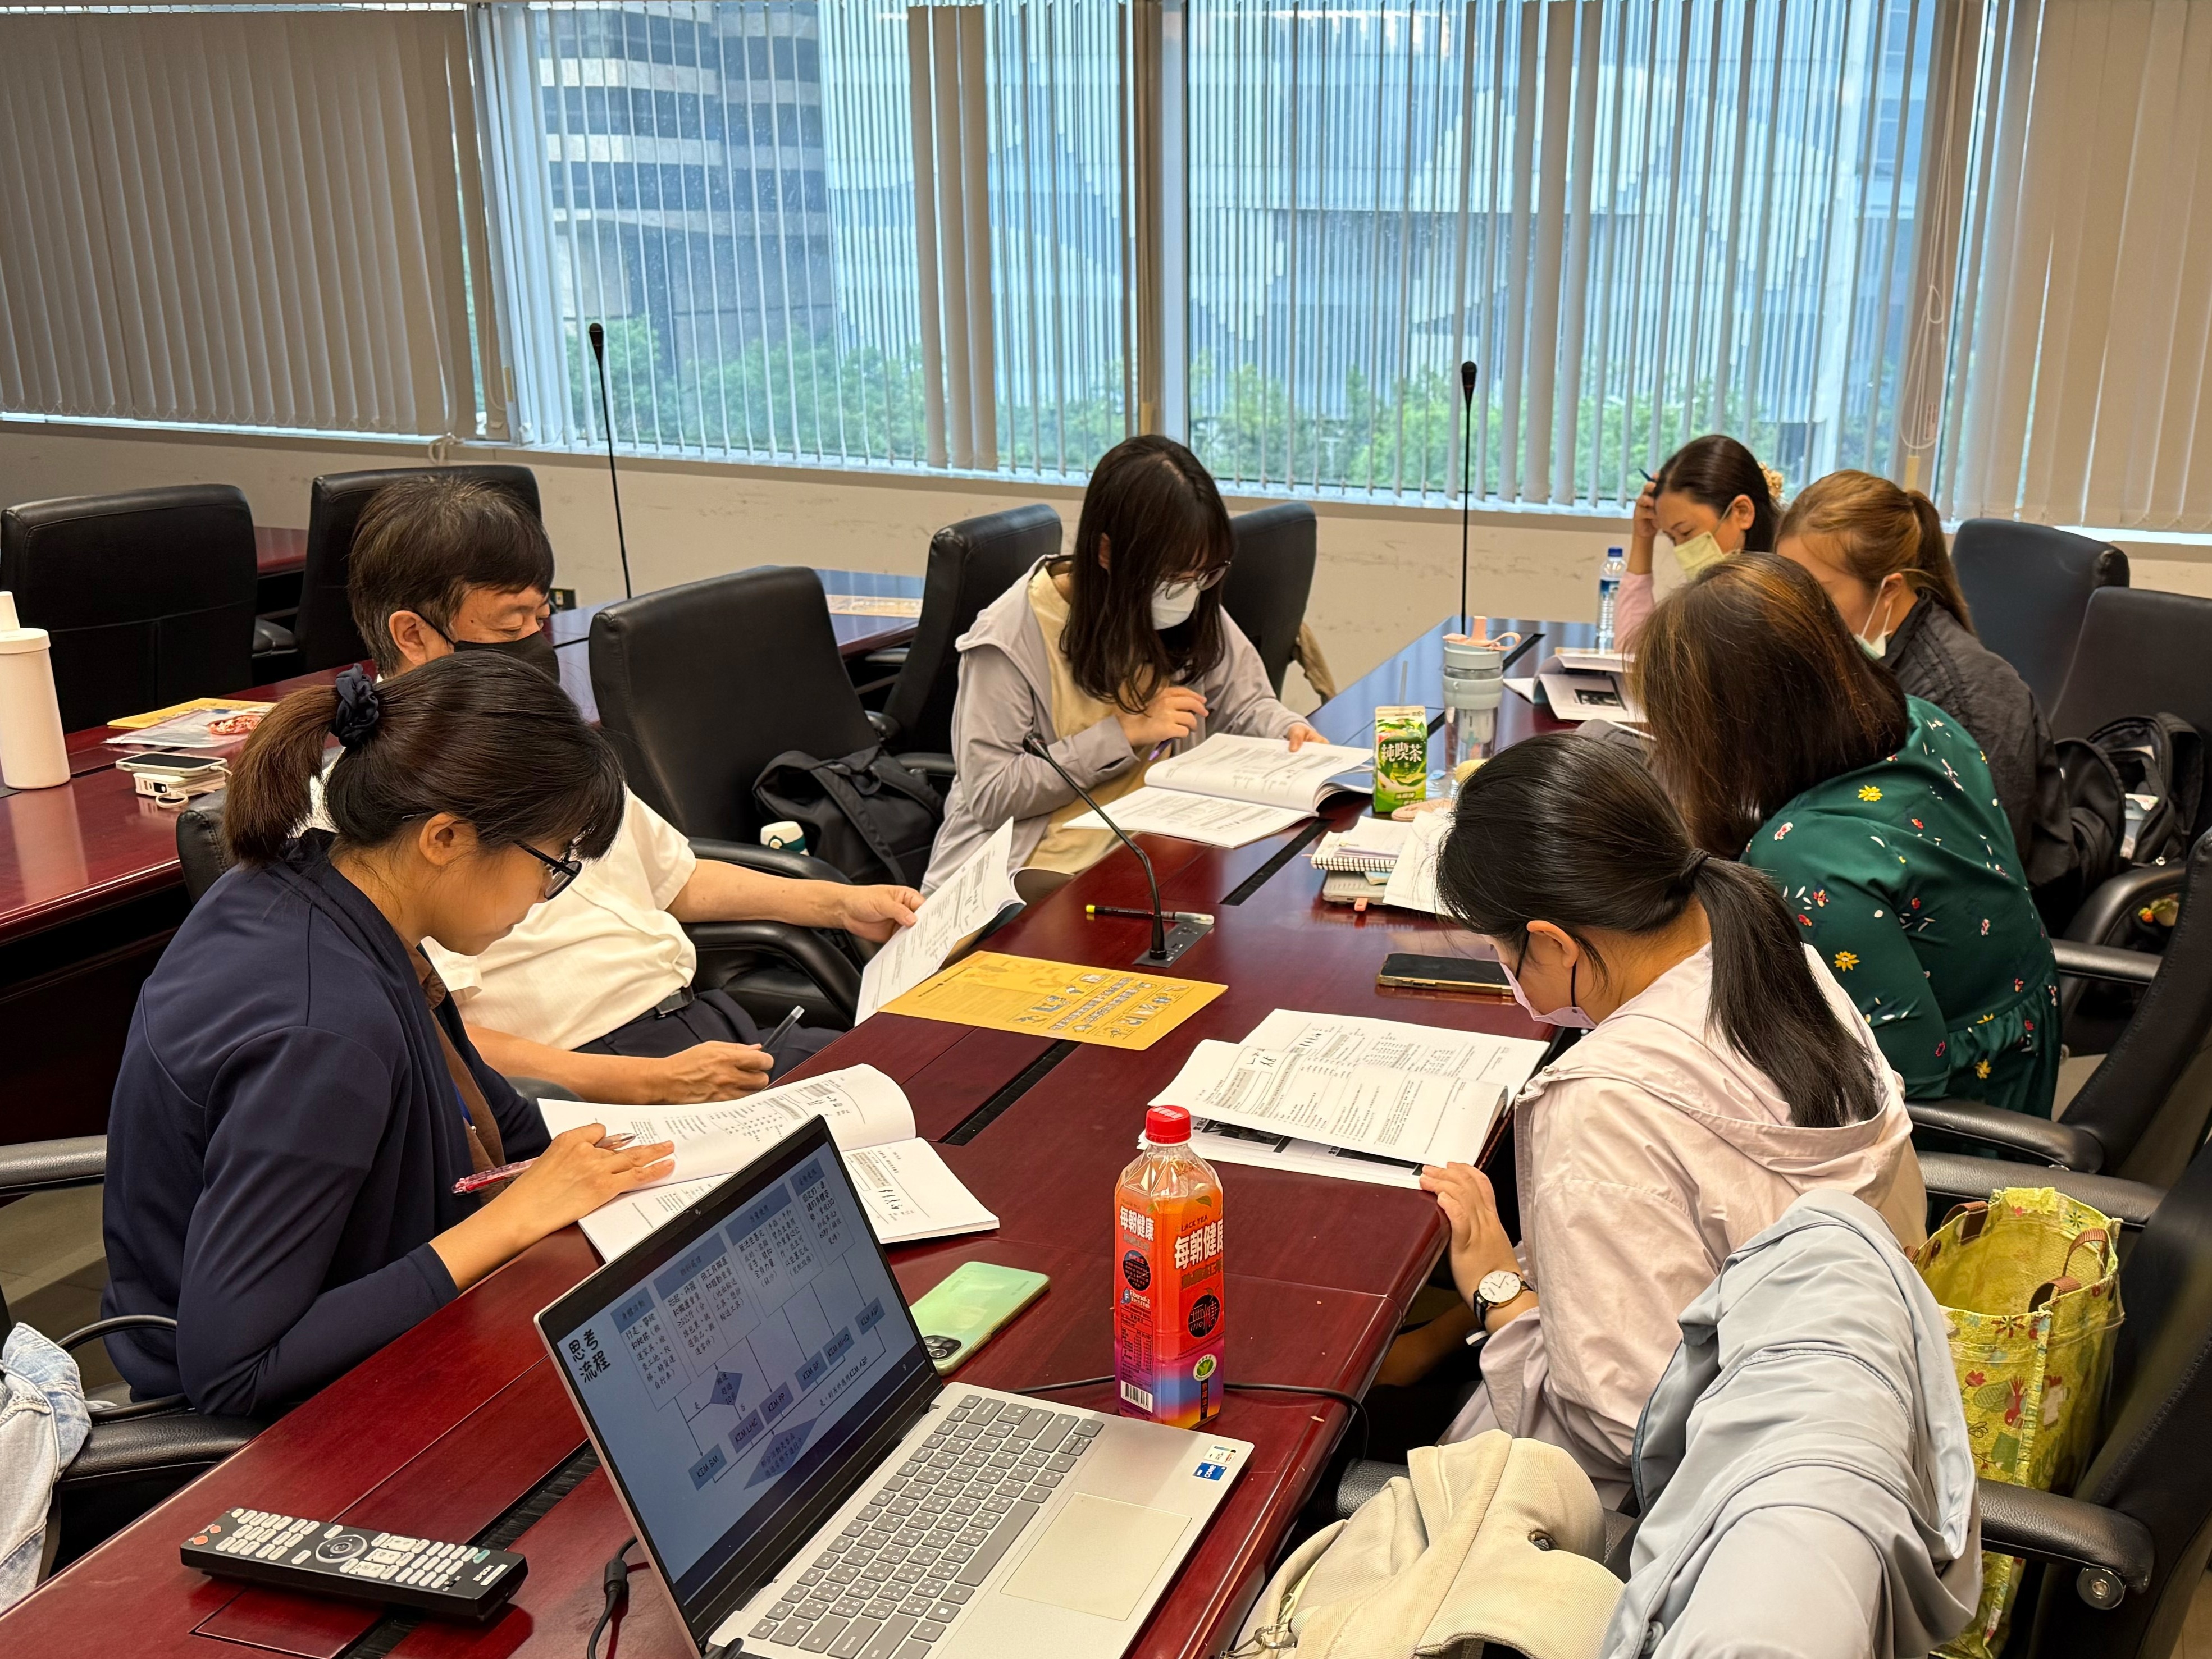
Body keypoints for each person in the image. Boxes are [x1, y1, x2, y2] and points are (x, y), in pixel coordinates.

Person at [101, 656, 680, 1415]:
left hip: (377, 1299)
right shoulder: (326, 1034)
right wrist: (511, 1219)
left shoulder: (322, 893)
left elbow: (501, 1125)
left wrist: (694, 1146)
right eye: (552, 864)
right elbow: (235, 1369)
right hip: (294, 1419)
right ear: (445, 837)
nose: (546, 893)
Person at [1413, 734, 1924, 1502]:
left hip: (1689, 1505)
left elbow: (1624, 1430)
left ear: (1551, 942)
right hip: (1854, 1408)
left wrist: (1497, 1291)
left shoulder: (1600, 1103)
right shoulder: (1777, 955)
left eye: (1500, 949)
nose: (1506, 971)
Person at [345, 475, 923, 1104]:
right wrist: (647, 1081)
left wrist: (840, 904)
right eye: (512, 627)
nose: (535, 645)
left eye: (541, 618)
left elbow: (672, 876)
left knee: (929, 1076)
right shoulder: (374, 808)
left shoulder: (543, 739)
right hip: (589, 1079)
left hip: (701, 1027)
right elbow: (432, 1039)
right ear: (413, 634)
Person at [1636, 554, 2061, 1117]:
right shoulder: (1925, 721)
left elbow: (1899, 1083)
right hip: (2022, 1042)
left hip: (1956, 1110)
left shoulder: (1805, 856)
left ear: (1735, 726)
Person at [925, 435, 1322, 889]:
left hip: (1149, 850)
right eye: (1172, 577)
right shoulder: (1010, 636)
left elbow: (1244, 701)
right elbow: (992, 794)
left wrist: (1285, 730)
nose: (1187, 593)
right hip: (1039, 871)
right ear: (1107, 553)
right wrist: (1123, 733)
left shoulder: (1190, 597)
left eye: (1202, 574)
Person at [1777, 469, 2076, 898]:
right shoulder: (1852, 655)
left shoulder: (1967, 698)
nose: (1797, 613)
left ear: (1889, 589)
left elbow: (1984, 871)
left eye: (1817, 595)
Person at [1616, 434, 1782, 645]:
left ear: (1742, 512)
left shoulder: (1781, 600)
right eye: (1672, 538)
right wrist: (1643, 539)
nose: (1682, 550)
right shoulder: (1712, 598)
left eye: (1686, 532)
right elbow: (1632, 654)